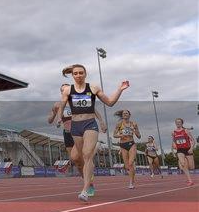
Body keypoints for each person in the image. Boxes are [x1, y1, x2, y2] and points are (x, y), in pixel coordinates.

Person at [56, 64, 128, 202]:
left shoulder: (93, 88)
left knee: (87, 154)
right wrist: (59, 117)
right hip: (75, 126)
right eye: (75, 73)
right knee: (77, 158)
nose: (78, 75)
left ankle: (84, 190)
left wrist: (120, 89)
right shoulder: (67, 90)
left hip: (90, 124)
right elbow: (62, 106)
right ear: (72, 75)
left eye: (81, 73)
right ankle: (89, 180)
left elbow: (110, 102)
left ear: (85, 74)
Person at [48, 83, 107, 196]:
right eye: (63, 89)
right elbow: (50, 120)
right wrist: (55, 115)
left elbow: (93, 110)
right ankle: (87, 180)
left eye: (67, 88)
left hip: (81, 132)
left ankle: (88, 183)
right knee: (77, 161)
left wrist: (101, 121)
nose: (66, 90)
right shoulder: (58, 105)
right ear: (61, 92)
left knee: (82, 157)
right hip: (68, 134)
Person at [113, 110, 141, 189]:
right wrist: (120, 135)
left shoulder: (133, 124)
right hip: (122, 145)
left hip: (131, 144)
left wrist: (135, 131)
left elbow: (139, 136)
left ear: (129, 115)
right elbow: (114, 135)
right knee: (127, 166)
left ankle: (131, 182)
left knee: (131, 162)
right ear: (122, 116)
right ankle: (132, 174)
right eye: (124, 113)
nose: (125, 114)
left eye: (126, 113)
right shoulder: (119, 124)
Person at [171, 118, 195, 186]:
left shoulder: (186, 131)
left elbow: (193, 141)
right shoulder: (173, 132)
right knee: (183, 163)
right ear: (175, 123)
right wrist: (173, 150)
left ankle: (187, 172)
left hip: (187, 149)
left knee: (191, 167)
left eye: (179, 122)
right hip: (180, 150)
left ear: (182, 123)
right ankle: (190, 180)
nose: (178, 123)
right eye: (177, 122)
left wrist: (191, 148)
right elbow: (173, 142)